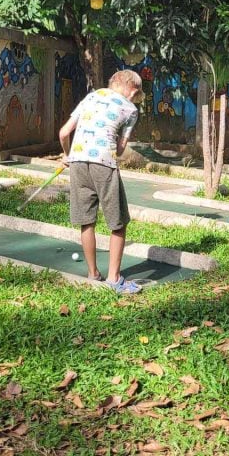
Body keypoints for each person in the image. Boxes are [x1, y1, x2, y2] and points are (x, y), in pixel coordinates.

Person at [58, 69, 144, 294]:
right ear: (132, 90)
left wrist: (67, 156)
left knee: (86, 220)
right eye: (136, 94)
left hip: (77, 161)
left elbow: (64, 133)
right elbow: (121, 147)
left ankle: (92, 273)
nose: (135, 98)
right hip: (103, 163)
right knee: (118, 222)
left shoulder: (91, 97)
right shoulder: (130, 109)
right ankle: (114, 278)